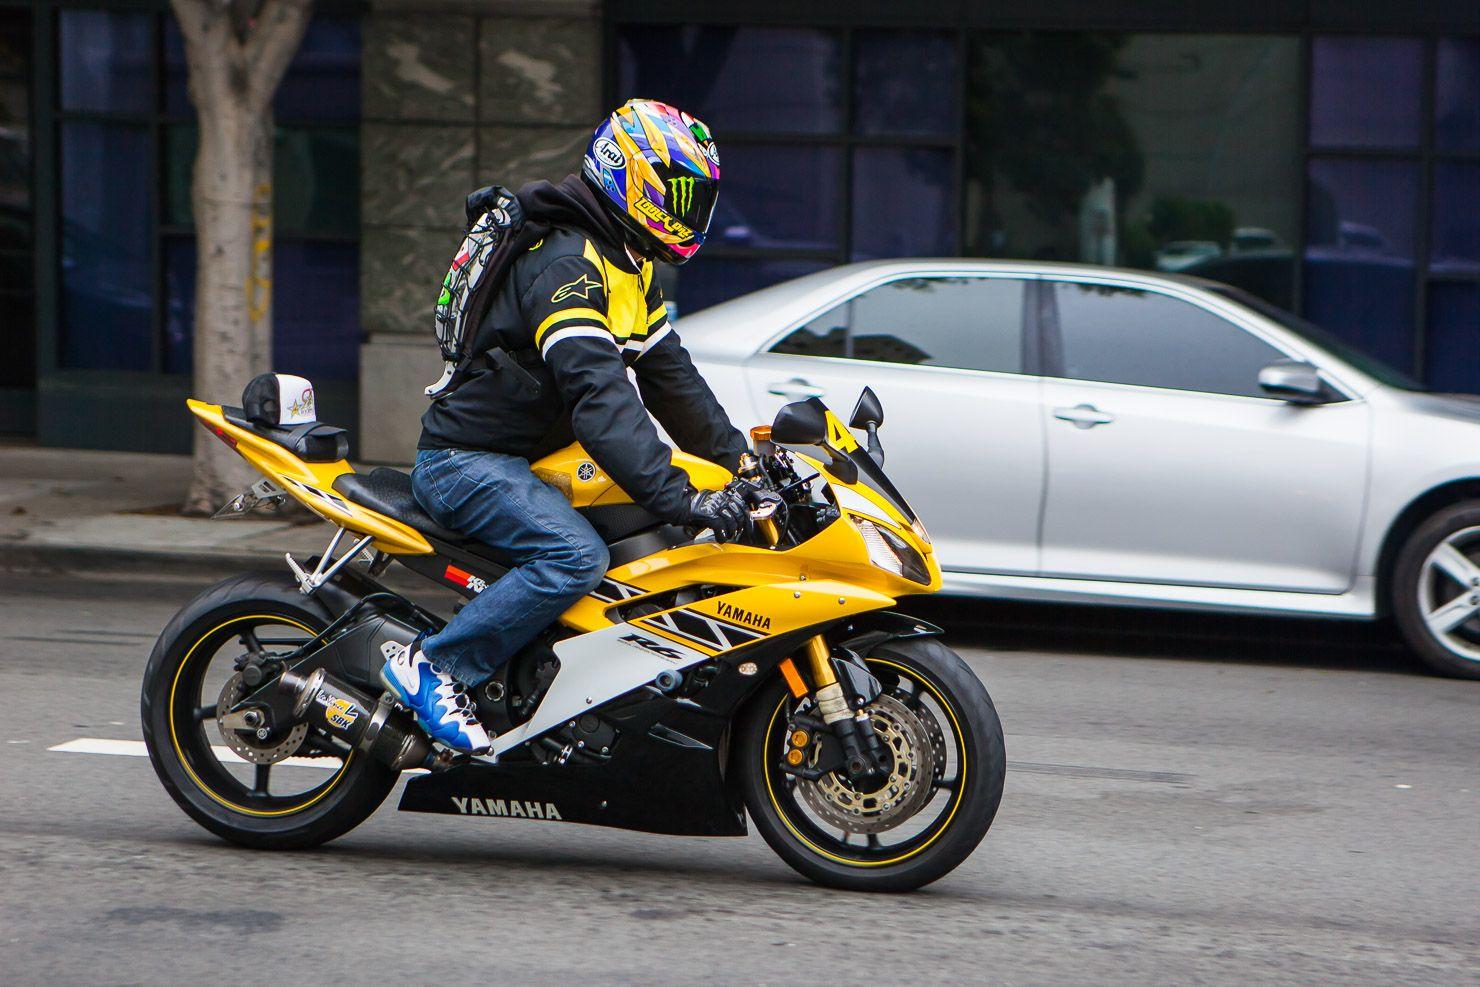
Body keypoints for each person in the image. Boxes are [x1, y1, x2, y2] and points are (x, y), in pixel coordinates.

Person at [380, 99, 752, 753]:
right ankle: (436, 665)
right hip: (467, 461)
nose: (692, 212)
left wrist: (740, 464)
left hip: (531, 457)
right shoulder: (568, 265)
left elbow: (673, 380)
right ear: (634, 179)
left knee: (648, 532)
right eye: (681, 194)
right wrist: (682, 495)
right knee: (574, 556)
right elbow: (599, 397)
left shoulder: (627, 263)